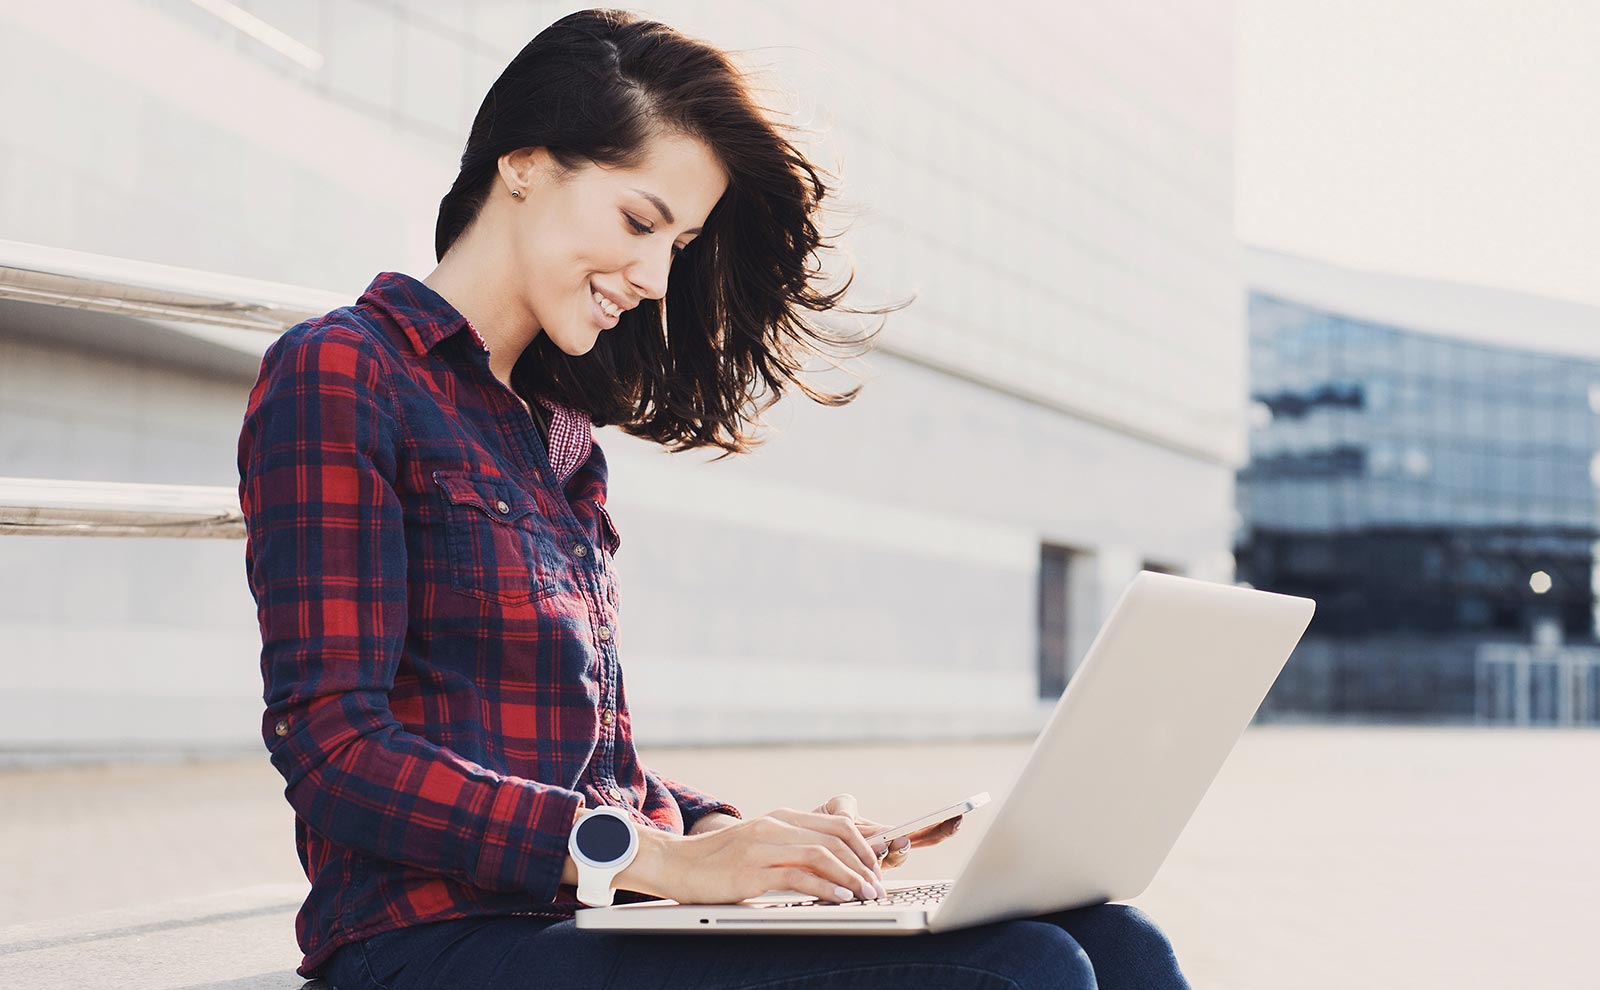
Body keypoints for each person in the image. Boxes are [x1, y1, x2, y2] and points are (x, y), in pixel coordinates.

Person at [235, 8, 1193, 989]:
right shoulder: (346, 370)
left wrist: (741, 835)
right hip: (431, 941)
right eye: (640, 222)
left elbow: (590, 769)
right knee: (1020, 969)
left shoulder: (562, 435)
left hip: (587, 917)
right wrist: (662, 861)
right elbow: (333, 746)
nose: (654, 277)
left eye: (680, 244)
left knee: (1117, 941)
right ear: (521, 164)